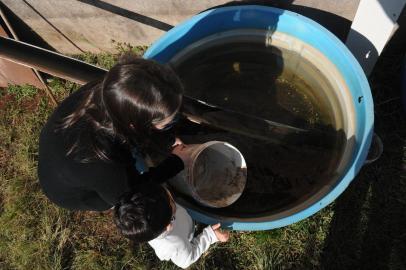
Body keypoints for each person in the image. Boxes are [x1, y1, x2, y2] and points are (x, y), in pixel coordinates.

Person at [38, 54, 188, 211]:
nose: (172, 122)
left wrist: (167, 138)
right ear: (134, 126)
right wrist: (176, 162)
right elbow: (133, 193)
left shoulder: (111, 90)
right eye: (166, 123)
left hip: (61, 148)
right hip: (75, 193)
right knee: (118, 197)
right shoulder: (103, 165)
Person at [114, 183, 230, 269]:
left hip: (181, 222)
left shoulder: (153, 209)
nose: (169, 193)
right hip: (186, 233)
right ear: (169, 225)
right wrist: (210, 236)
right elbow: (187, 260)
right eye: (170, 200)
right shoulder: (174, 244)